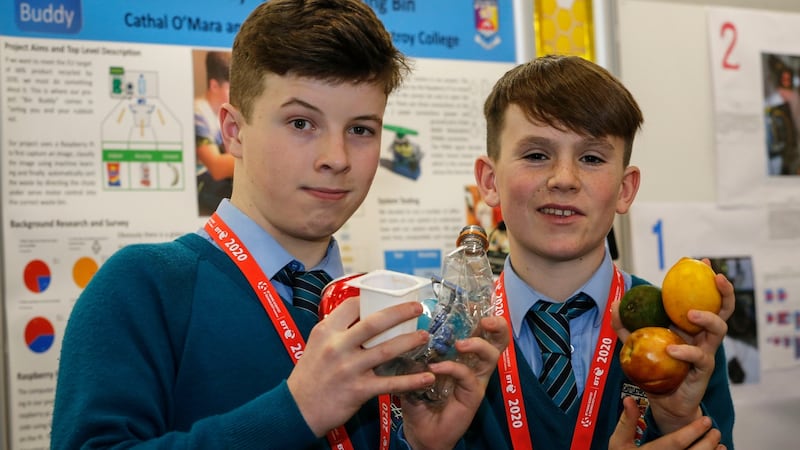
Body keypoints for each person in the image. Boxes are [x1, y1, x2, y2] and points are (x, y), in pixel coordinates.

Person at [49, 1, 508, 449]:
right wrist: (296, 411)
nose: (336, 158)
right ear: (234, 131)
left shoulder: (375, 305)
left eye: (361, 129)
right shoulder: (144, 286)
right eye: (301, 122)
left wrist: (421, 445)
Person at [466, 55, 736, 449]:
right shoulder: (447, 335)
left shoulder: (679, 331)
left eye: (591, 158)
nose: (563, 179)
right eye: (536, 155)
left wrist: (678, 420)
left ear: (625, 189)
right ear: (490, 181)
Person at [195, 50, 235, 216]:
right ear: (214, 86)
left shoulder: (223, 112)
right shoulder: (197, 114)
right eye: (230, 88)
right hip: (203, 184)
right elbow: (217, 168)